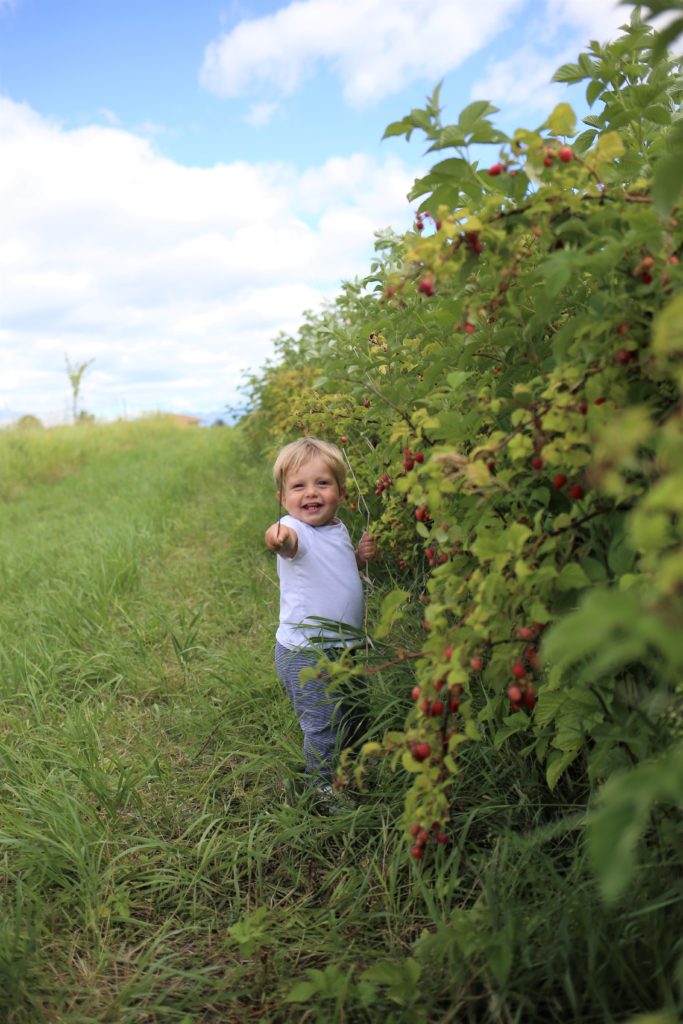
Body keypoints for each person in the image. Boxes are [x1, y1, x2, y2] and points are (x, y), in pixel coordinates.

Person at [264, 437, 377, 799]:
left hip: (346, 648)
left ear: (341, 493)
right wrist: (276, 538)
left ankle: (355, 769)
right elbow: (287, 541)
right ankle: (324, 790)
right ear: (284, 499)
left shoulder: (336, 529)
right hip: (306, 653)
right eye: (299, 486)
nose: (311, 493)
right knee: (323, 725)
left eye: (322, 483)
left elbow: (336, 567)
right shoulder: (294, 531)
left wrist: (357, 557)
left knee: (355, 714)